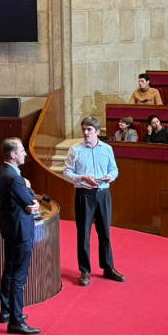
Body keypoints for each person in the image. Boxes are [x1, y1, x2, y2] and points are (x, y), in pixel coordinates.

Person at [63, 117, 124, 287]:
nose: (85, 133)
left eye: (89, 129)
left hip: (103, 194)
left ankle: (108, 267)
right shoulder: (75, 150)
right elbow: (66, 173)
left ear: (97, 131)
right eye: (83, 129)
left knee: (105, 232)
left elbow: (114, 169)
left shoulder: (107, 149)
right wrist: (82, 177)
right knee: (84, 234)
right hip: (84, 194)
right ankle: (84, 270)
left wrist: (110, 176)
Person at [0, 137, 41, 334]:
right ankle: (16, 320)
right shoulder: (15, 179)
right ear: (13, 155)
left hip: (9, 229)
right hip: (21, 232)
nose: (25, 154)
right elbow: (30, 201)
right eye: (22, 151)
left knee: (9, 270)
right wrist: (28, 187)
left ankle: (6, 310)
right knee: (18, 277)